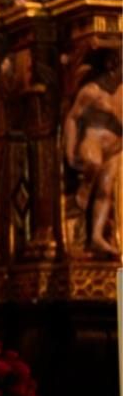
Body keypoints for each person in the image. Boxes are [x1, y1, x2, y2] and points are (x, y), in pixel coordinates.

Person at [63, 51, 122, 255]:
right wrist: (69, 150)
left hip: (115, 147)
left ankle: (97, 236)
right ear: (113, 65)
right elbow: (72, 119)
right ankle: (83, 192)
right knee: (93, 163)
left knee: (106, 191)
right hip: (93, 140)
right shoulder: (91, 91)